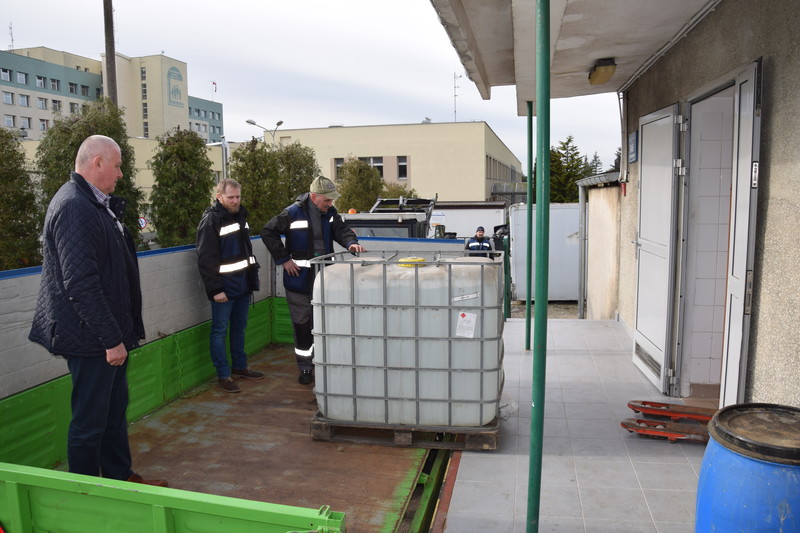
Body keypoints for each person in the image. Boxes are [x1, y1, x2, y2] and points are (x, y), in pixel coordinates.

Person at [28, 135, 167, 487]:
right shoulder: (75, 206)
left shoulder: (94, 204)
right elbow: (80, 284)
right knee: (90, 421)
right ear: (98, 163)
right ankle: (86, 495)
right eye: (118, 165)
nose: (121, 174)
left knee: (113, 411)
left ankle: (119, 477)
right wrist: (111, 339)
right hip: (91, 339)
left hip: (106, 335)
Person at [260, 176, 366, 385]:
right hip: (298, 281)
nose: (330, 204)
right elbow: (267, 231)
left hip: (325, 280)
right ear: (314, 196)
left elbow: (342, 231)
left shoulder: (331, 214)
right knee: (302, 325)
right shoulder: (292, 213)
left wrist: (351, 244)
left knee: (324, 324)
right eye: (327, 200)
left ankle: (324, 363)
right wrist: (284, 260)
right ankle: (305, 367)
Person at [196, 179, 264, 393]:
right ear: (219, 197)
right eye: (231, 197)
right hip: (224, 290)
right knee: (219, 331)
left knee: (239, 328)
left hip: (242, 285)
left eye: (238, 197)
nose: (235, 201)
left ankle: (240, 366)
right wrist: (216, 290)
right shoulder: (211, 220)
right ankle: (224, 375)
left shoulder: (240, 217)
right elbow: (206, 258)